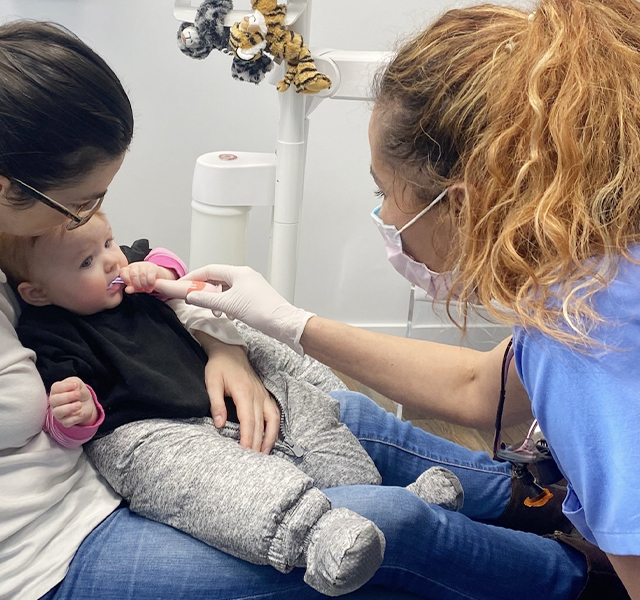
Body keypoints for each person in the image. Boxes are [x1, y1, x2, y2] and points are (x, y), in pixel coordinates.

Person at [0, 0, 598, 599]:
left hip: (107, 485)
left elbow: (139, 293)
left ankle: (530, 508)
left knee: (341, 412)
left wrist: (223, 345)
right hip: (49, 560)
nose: (93, 225)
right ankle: (582, 582)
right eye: (83, 204)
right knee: (388, 524)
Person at [183, 0, 640, 598]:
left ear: (462, 202)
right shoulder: (601, 270)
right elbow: (479, 387)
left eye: (384, 190)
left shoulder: (586, 338)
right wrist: (289, 322)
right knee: (351, 416)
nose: (384, 215)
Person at [0, 211, 468, 596]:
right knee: (223, 487)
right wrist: (76, 412)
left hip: (213, 401)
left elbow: (170, 264)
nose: (112, 262)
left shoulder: (130, 280)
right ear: (37, 292)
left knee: (315, 428)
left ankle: (393, 507)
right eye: (86, 263)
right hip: (149, 431)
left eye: (109, 243)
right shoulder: (50, 333)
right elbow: (70, 420)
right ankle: (315, 537)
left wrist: (159, 271)